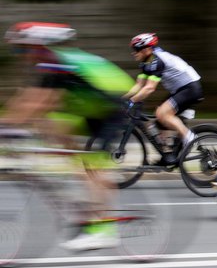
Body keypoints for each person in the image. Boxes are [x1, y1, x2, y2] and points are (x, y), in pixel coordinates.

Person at [2, 22, 136, 250]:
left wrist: (10, 126)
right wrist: (8, 124)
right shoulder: (46, 63)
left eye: (22, 49)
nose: (20, 55)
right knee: (55, 128)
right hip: (87, 107)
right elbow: (25, 99)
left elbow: (41, 101)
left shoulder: (53, 62)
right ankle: (79, 188)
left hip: (113, 106)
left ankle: (103, 230)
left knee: (93, 167)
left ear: (37, 45)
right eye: (17, 50)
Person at [124, 33, 203, 165]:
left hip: (190, 88)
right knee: (157, 118)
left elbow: (149, 88)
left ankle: (190, 138)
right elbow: (138, 85)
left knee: (163, 113)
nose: (133, 53)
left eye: (136, 50)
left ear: (146, 49)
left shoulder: (157, 60)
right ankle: (168, 156)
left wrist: (132, 101)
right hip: (180, 90)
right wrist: (123, 99)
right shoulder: (146, 62)